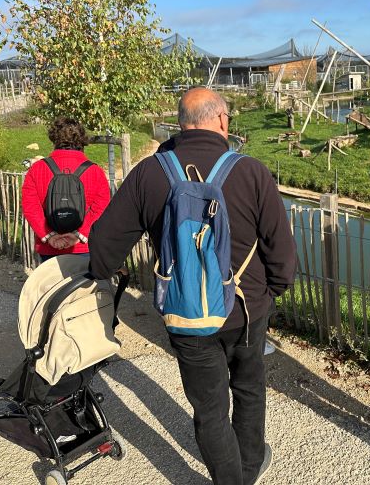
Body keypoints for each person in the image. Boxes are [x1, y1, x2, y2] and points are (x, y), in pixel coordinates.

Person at [88, 88, 296, 485]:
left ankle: (230, 478)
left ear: (180, 123)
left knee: (209, 407)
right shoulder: (251, 171)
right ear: (221, 120)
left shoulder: (149, 173)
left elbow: (103, 248)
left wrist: (103, 271)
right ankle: (249, 466)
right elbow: (283, 254)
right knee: (249, 390)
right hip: (245, 311)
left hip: (185, 313)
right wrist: (271, 294)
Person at [21, 117, 110, 262]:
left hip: (49, 247)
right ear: (81, 139)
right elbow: (101, 207)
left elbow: (30, 206)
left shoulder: (37, 169)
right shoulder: (95, 171)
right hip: (82, 246)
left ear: (54, 138)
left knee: (52, 284)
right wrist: (79, 234)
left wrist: (49, 235)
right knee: (80, 283)